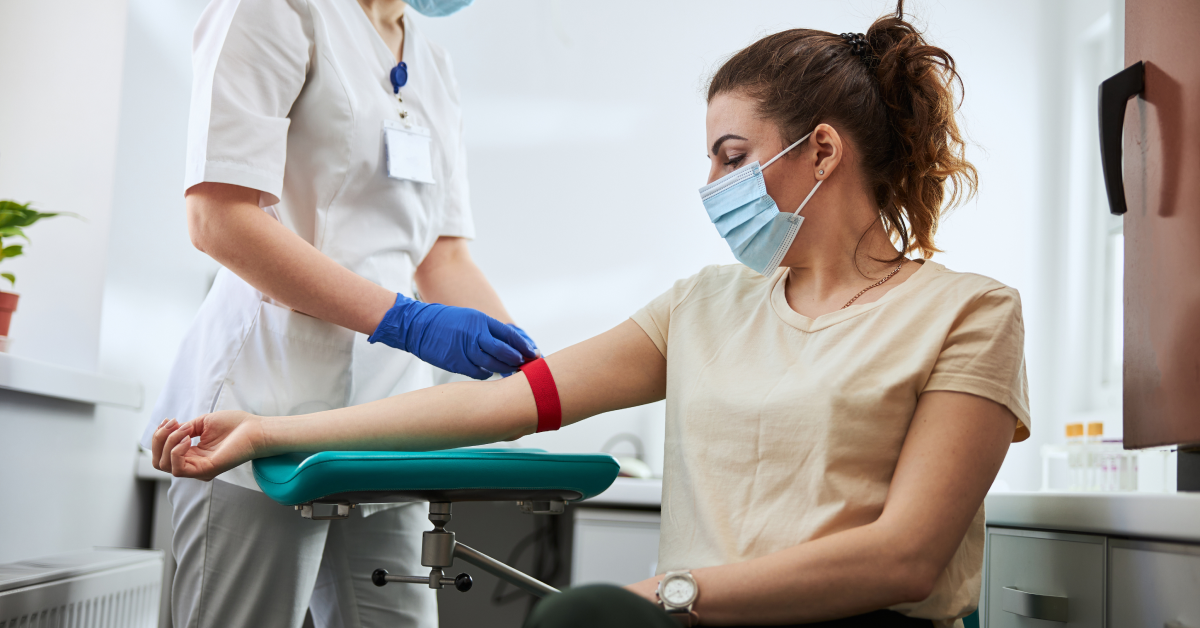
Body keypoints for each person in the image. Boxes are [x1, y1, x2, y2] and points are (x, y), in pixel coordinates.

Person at [152, 3, 1029, 627]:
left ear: (823, 151)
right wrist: (273, 426)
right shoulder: (705, 306)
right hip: (272, 365)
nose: (714, 188)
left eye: (732, 157)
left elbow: (906, 559)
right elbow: (499, 400)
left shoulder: (967, 313)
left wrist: (663, 595)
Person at [140, 0, 540, 626]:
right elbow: (218, 216)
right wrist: (406, 321)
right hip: (264, 392)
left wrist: (534, 376)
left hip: (389, 420)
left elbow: (444, 254)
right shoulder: (277, 9)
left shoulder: (432, 62)